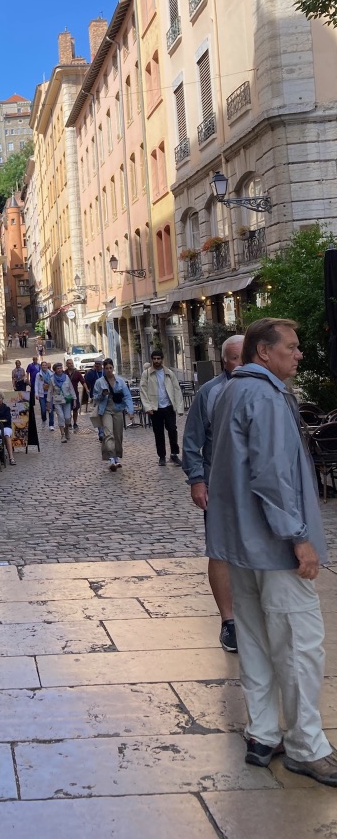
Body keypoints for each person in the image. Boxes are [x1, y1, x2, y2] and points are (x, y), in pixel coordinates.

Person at [207, 318, 337, 785]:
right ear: (264, 352)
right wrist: (298, 537)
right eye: (293, 347)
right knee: (299, 645)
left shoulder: (229, 390)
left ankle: (263, 734)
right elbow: (272, 475)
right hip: (273, 544)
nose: (299, 355)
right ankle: (306, 746)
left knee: (256, 642)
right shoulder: (264, 395)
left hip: (241, 543)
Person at [182, 334, 244, 654]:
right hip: (218, 484)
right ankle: (229, 622)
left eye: (246, 356)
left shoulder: (267, 390)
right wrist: (197, 480)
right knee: (220, 550)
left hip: (256, 487)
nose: (242, 363)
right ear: (224, 361)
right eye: (236, 357)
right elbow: (192, 442)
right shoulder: (210, 392)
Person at [139, 349, 184, 466]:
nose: (156, 361)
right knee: (158, 433)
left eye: (158, 359)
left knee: (172, 430)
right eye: (154, 359)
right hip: (155, 408)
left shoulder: (169, 373)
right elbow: (143, 391)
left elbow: (177, 389)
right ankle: (162, 456)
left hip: (168, 406)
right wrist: (147, 407)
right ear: (152, 359)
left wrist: (179, 407)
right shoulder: (146, 374)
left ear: (162, 359)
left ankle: (174, 454)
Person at [93, 359, 133, 471]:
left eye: (110, 368)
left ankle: (116, 457)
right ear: (104, 369)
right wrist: (102, 394)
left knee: (118, 435)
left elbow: (127, 396)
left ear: (113, 368)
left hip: (118, 410)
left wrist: (130, 411)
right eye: (106, 368)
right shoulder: (99, 382)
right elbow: (95, 398)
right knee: (108, 434)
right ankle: (111, 458)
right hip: (105, 410)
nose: (109, 370)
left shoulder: (120, 381)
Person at [46, 362, 75, 442]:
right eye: (58, 369)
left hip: (66, 400)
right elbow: (50, 391)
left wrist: (74, 399)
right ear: (55, 370)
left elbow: (71, 388)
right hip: (57, 401)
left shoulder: (66, 377)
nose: (59, 370)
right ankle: (62, 434)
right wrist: (48, 403)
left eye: (60, 368)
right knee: (61, 417)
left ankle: (66, 430)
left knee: (67, 417)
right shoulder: (52, 379)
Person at [0, 391, 17, 465]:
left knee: (6, 434)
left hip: (5, 426)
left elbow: (7, 419)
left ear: (2, 399)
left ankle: (11, 457)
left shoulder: (6, 408)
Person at [84, 360, 105, 441]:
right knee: (98, 414)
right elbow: (86, 380)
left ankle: (105, 431)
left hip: (105, 396)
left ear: (101, 364)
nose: (97, 366)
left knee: (105, 414)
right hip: (96, 396)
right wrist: (91, 371)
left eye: (98, 364)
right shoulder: (92, 373)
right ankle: (101, 432)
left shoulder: (104, 372)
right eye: (96, 364)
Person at [66, 359, 84, 431]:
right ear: (67, 365)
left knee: (75, 409)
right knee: (68, 409)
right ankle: (69, 423)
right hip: (67, 394)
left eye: (72, 363)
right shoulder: (64, 373)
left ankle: (75, 423)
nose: (71, 364)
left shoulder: (77, 373)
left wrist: (87, 389)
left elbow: (83, 381)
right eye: (69, 363)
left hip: (75, 394)